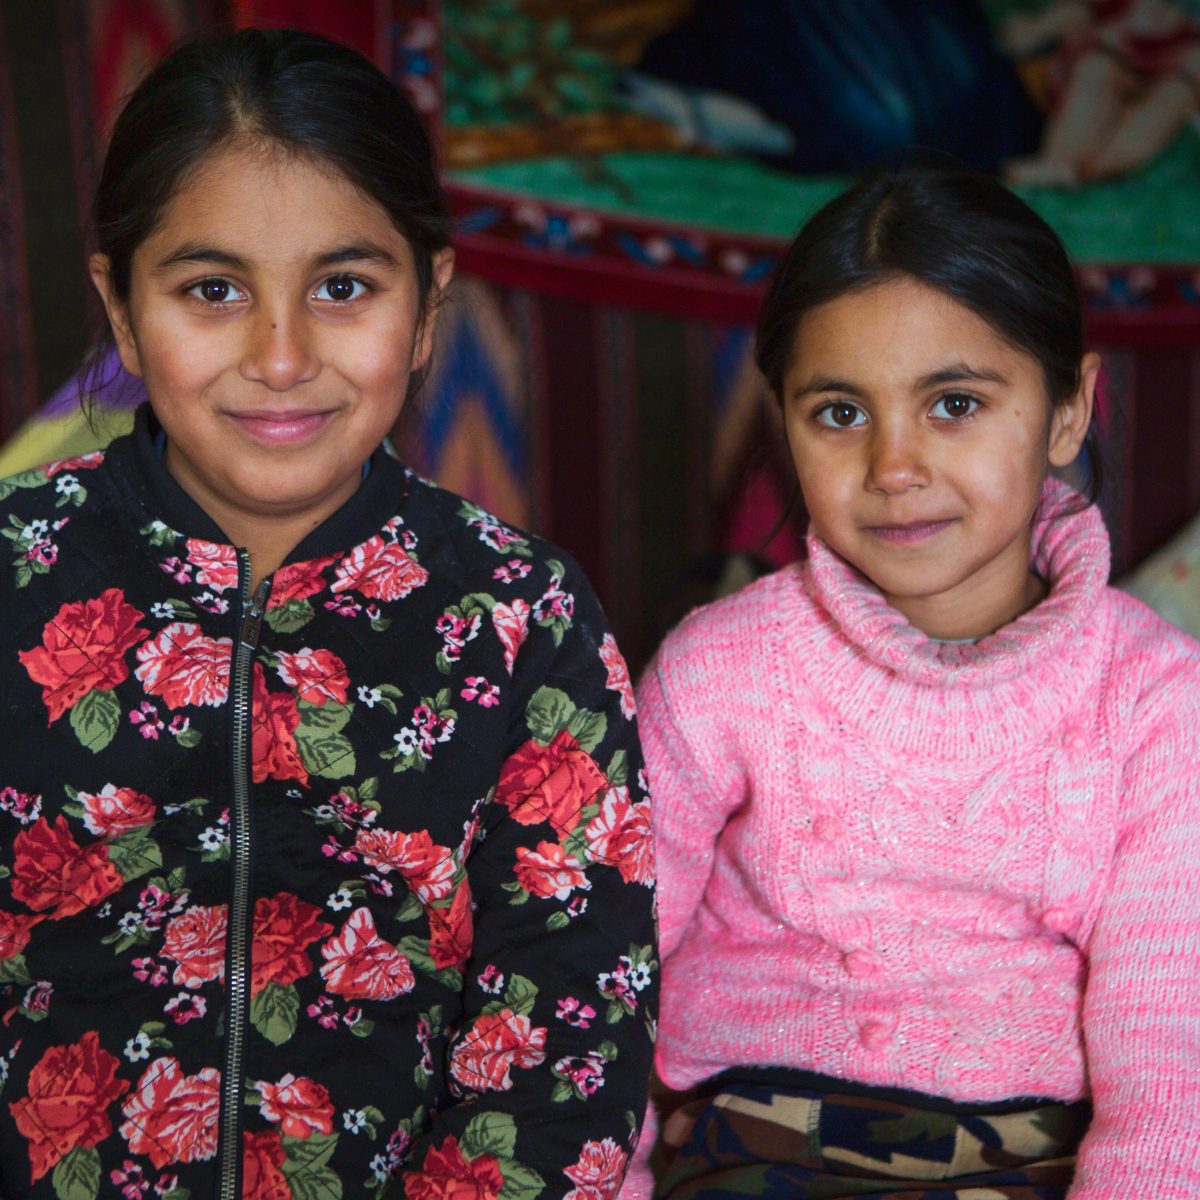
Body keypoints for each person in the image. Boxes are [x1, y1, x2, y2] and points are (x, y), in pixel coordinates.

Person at [0, 28, 655, 1200]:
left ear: (429, 296)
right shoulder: (14, 571)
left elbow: (563, 1046)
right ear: (119, 305)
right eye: (212, 290)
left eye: (343, 288)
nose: (282, 354)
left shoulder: (521, 620)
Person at [624, 164, 1200, 1198]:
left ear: (1070, 411)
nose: (895, 466)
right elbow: (592, 979)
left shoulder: (1157, 702)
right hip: (761, 1151)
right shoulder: (723, 670)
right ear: (784, 421)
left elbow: (1174, 1066)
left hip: (1033, 1162)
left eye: (956, 404)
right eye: (840, 414)